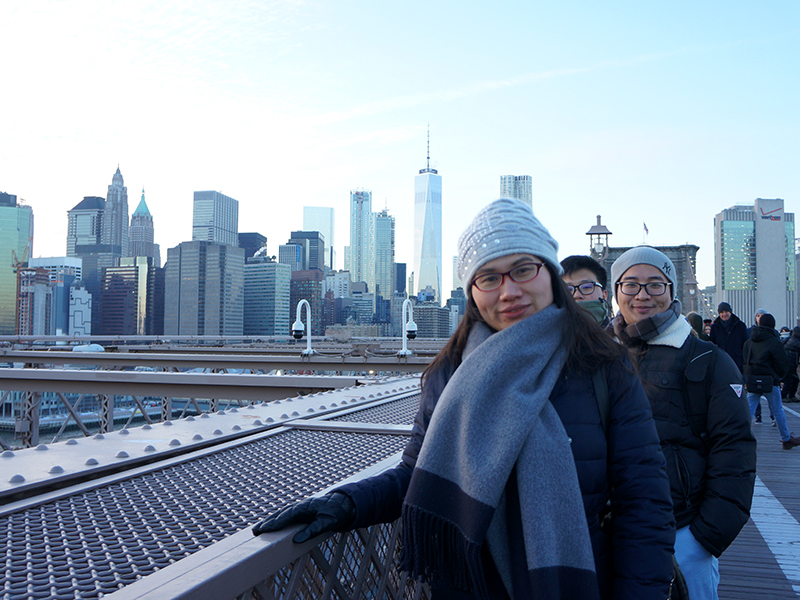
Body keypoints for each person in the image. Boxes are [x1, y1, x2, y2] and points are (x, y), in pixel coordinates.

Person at [253, 199, 675, 600]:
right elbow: (417, 474)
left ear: (549, 273)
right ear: (472, 291)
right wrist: (347, 502)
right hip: (467, 587)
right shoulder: (451, 372)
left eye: (523, 269)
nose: (508, 291)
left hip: (578, 584)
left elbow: (645, 506)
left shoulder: (604, 367)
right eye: (489, 278)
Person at [610, 246, 756, 600]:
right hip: (611, 531)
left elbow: (734, 448)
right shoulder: (600, 354)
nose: (642, 294)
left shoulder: (707, 359)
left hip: (682, 530)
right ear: (615, 293)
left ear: (672, 291)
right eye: (630, 284)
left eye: (655, 284)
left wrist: (704, 538)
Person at [743, 313, 800, 448]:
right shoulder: (773, 341)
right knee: (777, 410)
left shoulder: (750, 341)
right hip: (770, 380)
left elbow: (745, 360)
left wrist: (749, 375)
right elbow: (782, 363)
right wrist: (777, 376)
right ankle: (786, 439)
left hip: (753, 379)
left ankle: (740, 438)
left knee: (748, 411)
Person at [560, 254, 611, 326]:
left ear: (604, 295)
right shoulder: (544, 335)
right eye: (568, 289)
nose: (576, 295)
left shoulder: (621, 336)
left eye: (586, 287)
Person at [708, 302, 748, 373]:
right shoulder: (715, 327)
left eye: (726, 311)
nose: (724, 314)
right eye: (722, 312)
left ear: (730, 312)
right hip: (720, 363)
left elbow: (745, 344)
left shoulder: (740, 326)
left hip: (737, 363)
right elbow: (713, 344)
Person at [782, 326, 800, 402]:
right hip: (789, 364)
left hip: (789, 364)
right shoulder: (794, 341)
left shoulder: (789, 339)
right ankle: (784, 396)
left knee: (794, 380)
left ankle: (791, 395)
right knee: (789, 380)